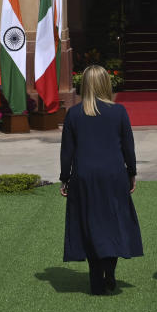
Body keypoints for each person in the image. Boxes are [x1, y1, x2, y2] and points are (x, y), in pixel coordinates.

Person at [60, 65, 144, 295]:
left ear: (84, 84)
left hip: (84, 175)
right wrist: (132, 172)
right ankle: (109, 271)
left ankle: (96, 278)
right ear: (106, 83)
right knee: (112, 222)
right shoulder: (118, 112)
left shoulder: (74, 113)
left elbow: (67, 151)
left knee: (89, 224)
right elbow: (128, 146)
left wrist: (64, 178)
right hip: (113, 174)